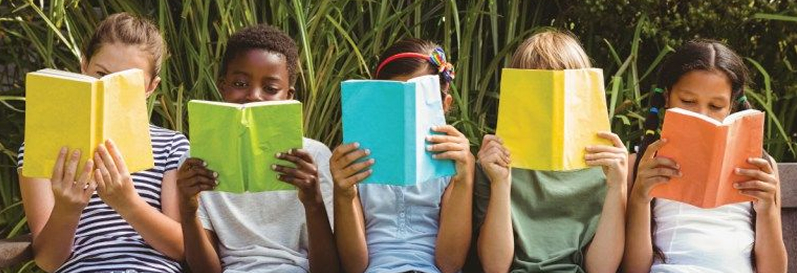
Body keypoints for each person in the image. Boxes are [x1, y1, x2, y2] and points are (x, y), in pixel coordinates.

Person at [18, 12, 187, 272]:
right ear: (83, 66)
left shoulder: (171, 146)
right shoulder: (40, 146)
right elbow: (48, 261)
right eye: (100, 74)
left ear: (151, 88)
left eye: (126, 82)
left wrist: (127, 202)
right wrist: (67, 208)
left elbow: (181, 248)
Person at [176, 24, 339, 273]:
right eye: (240, 83)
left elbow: (329, 269)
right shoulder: (197, 161)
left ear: (288, 95)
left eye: (271, 89)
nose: (254, 95)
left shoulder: (313, 157)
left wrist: (313, 202)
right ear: (223, 87)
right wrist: (188, 209)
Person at [623, 39, 788, 273]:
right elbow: (634, 269)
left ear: (731, 106)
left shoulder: (759, 168)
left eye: (716, 106)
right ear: (667, 98)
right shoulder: (640, 165)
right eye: (688, 101)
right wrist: (640, 197)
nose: (702, 115)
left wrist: (767, 210)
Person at [472, 30, 626, 273]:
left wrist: (617, 187)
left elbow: (602, 269)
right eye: (536, 95)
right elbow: (495, 267)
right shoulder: (495, 164)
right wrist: (500, 183)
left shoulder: (604, 167)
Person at [333, 38, 475, 273]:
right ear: (377, 101)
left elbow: (450, 264)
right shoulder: (354, 159)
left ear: (444, 104)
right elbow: (354, 266)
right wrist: (344, 194)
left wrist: (463, 179)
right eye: (395, 101)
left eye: (421, 101)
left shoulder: (457, 160)